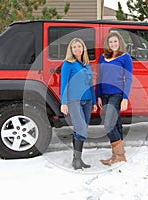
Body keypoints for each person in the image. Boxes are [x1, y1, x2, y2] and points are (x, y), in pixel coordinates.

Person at [60, 38, 97, 170]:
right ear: (71, 49)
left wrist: (93, 101)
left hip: (87, 100)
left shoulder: (87, 64)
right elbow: (64, 84)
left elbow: (90, 84)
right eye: (74, 47)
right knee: (80, 127)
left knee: (81, 129)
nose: (77, 49)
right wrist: (63, 103)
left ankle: (77, 159)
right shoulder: (68, 64)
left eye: (79, 46)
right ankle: (76, 160)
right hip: (74, 100)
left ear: (83, 48)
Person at [97, 31, 133, 165]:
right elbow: (100, 77)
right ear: (108, 43)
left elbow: (128, 79)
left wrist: (125, 98)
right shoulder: (102, 57)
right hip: (104, 95)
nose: (113, 44)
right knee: (116, 123)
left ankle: (120, 155)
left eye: (115, 41)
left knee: (108, 124)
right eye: (111, 42)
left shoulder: (125, 57)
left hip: (116, 94)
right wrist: (99, 95)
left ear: (120, 43)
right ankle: (116, 156)